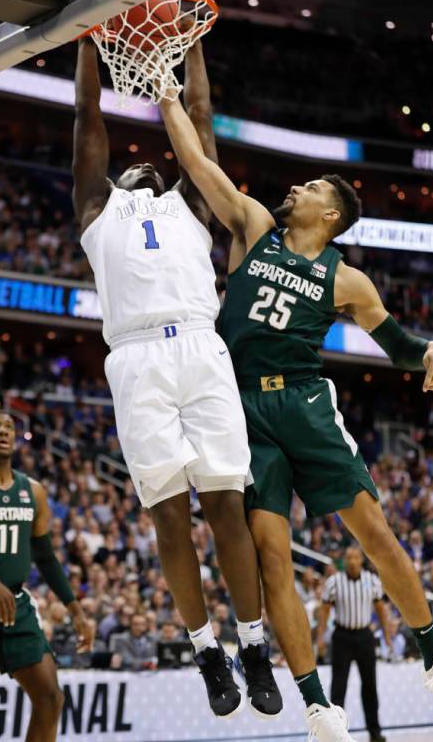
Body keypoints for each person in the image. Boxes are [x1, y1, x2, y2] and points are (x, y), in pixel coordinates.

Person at [160, 93, 433, 741]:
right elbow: (197, 163)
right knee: (271, 556)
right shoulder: (255, 226)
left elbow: (398, 347)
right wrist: (166, 98)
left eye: (311, 184)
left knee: (371, 529)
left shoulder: (348, 281)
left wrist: (430, 349)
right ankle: (318, 706)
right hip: (241, 410)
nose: (297, 184)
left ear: (331, 212)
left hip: (303, 401)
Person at [72, 36, 281, 719]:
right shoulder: (96, 212)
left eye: (151, 160)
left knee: (225, 506)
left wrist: (188, 45)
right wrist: (87, 45)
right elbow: (88, 120)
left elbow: (199, 109)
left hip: (200, 343)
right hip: (135, 360)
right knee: (168, 519)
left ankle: (252, 644)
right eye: (129, 163)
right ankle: (205, 650)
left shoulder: (192, 203)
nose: (140, 161)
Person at [0, 410, 94, 742]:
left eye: (10, 427)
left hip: (16, 602)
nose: (3, 431)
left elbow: (46, 557)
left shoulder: (33, 491)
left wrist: (76, 611)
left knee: (51, 698)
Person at [317, 547, 389, 742]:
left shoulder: (372, 580)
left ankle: (374, 732)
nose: (352, 561)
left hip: (365, 636)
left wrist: (388, 637)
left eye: (356, 557)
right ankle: (335, 734)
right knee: (338, 688)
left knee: (370, 686)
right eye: (348, 557)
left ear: (361, 560)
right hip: (342, 637)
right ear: (344, 561)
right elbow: (323, 611)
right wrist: (320, 638)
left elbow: (381, 610)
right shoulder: (334, 582)